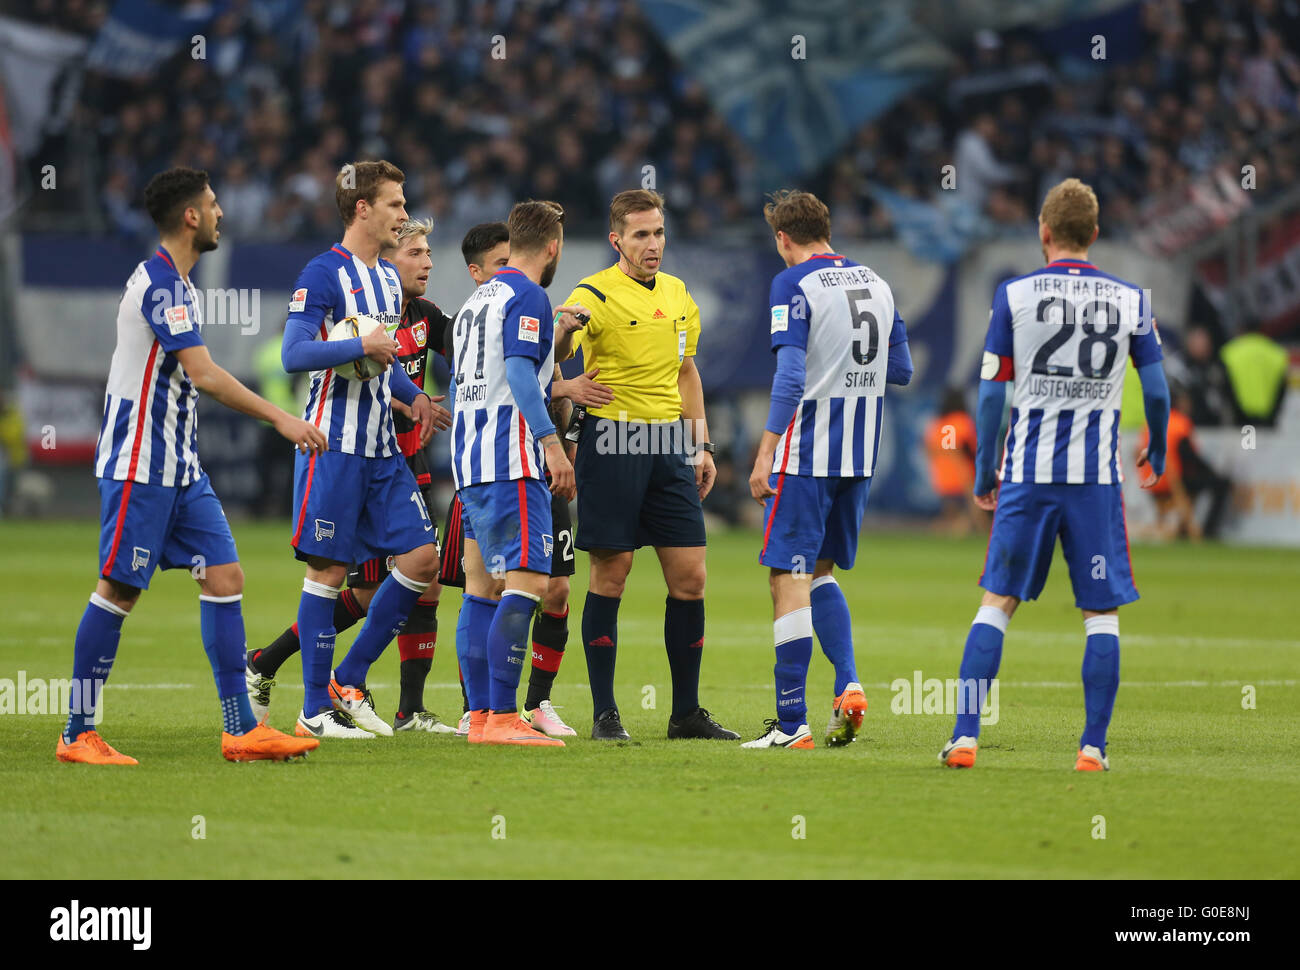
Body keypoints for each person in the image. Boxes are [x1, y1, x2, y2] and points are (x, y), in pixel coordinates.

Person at [58, 166, 327, 765]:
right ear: (190, 217)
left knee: (225, 578)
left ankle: (241, 729)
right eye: (212, 204)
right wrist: (281, 418)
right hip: (140, 465)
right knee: (119, 590)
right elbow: (204, 375)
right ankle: (78, 731)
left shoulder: (177, 283)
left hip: (181, 469)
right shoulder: (159, 285)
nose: (221, 213)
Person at [939, 178, 1169, 773]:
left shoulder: (1013, 296)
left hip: (1027, 475)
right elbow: (1160, 390)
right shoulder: (1132, 300)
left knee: (997, 603)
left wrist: (986, 466)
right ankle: (1092, 747)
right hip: (1093, 482)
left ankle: (965, 737)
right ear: (1094, 235)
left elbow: (991, 395)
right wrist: (1158, 447)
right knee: (1101, 614)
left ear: (1044, 232)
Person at [246, 217, 456, 732]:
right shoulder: (322, 274)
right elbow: (295, 354)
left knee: (421, 561)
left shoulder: (392, 287)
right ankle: (314, 709)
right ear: (365, 209)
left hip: (385, 451)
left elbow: (385, 369)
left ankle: (349, 676)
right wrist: (361, 347)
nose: (427, 260)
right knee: (333, 578)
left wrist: (416, 399)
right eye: (395, 204)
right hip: (333, 447)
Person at [559, 189, 738, 741]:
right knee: (611, 576)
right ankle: (605, 713)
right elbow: (551, 351)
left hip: (668, 446)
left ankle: (686, 713)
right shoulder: (593, 294)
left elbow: (687, 373)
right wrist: (563, 333)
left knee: (691, 578)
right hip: (612, 441)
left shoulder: (680, 294)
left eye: (658, 232)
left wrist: (701, 444)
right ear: (617, 240)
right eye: (641, 234)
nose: (653, 244)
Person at [743, 190, 913, 750]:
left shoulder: (792, 284)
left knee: (785, 578)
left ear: (782, 238)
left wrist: (766, 450)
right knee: (820, 574)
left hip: (807, 456)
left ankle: (791, 725)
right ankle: (848, 683)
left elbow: (791, 377)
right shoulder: (878, 284)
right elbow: (903, 369)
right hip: (858, 458)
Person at [439, 223, 614, 738]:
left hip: (469, 462)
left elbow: (465, 379)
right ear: (554, 246)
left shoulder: (475, 301)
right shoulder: (530, 294)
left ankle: (478, 716)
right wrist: (551, 444)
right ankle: (502, 716)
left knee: (481, 588)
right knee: (529, 583)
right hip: (511, 460)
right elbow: (518, 375)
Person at [1138, 385, 1232, 540]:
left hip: (1151, 483)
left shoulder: (1149, 423)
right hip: (1172, 483)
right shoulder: (1180, 423)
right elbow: (1189, 456)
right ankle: (1209, 532)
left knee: (1198, 481)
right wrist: (1212, 471)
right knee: (1220, 483)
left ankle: (1182, 528)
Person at [925, 387, 983, 535]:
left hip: (942, 478)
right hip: (963, 474)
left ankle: (946, 528)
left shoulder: (937, 424)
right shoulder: (962, 421)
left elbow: (927, 448)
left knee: (952, 515)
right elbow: (973, 449)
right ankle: (976, 530)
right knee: (976, 509)